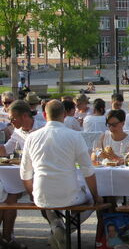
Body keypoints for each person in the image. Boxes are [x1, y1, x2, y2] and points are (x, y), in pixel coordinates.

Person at [20, 100, 102, 249]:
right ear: (64, 115)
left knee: (45, 201)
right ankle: (66, 229)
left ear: (44, 115)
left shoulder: (31, 137)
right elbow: (88, 171)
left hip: (41, 193)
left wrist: (31, 194)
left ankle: (55, 224)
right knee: (91, 200)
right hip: (69, 194)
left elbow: (25, 173)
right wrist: (96, 196)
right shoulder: (75, 136)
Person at [0, 101, 37, 249]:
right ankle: (8, 238)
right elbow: (7, 149)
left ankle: (7, 238)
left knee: (9, 196)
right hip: (21, 174)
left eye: (13, 118)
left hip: (41, 175)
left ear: (24, 116)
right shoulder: (18, 131)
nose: (11, 121)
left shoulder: (41, 128)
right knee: (9, 196)